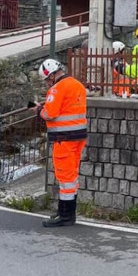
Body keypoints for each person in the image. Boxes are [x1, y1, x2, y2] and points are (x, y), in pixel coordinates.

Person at [36, 59, 87, 227]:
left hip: (63, 139)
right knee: (72, 176)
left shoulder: (56, 89)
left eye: (46, 80)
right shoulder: (77, 84)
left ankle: (65, 215)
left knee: (65, 177)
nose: (46, 83)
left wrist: (38, 110)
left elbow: (50, 113)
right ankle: (67, 212)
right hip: (78, 137)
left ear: (50, 75)